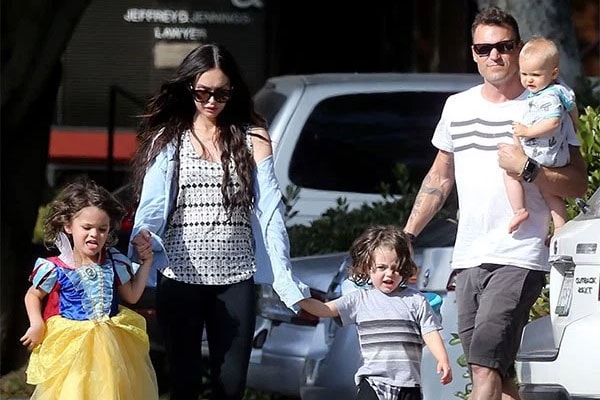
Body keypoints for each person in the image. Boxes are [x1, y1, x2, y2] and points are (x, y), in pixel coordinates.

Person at [403, 6, 587, 400]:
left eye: (504, 46)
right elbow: (440, 177)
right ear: (473, 53)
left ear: (518, 49)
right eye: (484, 48)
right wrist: (408, 235)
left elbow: (577, 181)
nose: (494, 55)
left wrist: (528, 169)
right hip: (470, 254)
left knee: (484, 368)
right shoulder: (457, 106)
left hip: (520, 254)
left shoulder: (545, 105)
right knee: (495, 379)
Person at [128, 42, 310, 400]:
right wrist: (142, 241)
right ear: (188, 89)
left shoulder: (253, 137)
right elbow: (151, 206)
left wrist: (284, 275)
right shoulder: (170, 139)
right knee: (185, 384)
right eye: (203, 92)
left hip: (236, 276)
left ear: (233, 91)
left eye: (221, 93)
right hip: (179, 274)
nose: (212, 101)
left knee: (231, 385)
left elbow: (270, 210)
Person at [20, 179, 158, 400]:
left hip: (111, 348)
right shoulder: (57, 267)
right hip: (73, 347)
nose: (95, 234)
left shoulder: (113, 262)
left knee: (110, 390)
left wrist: (146, 263)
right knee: (74, 390)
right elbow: (33, 294)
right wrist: (37, 323)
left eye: (102, 229)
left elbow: (132, 296)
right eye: (87, 228)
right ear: (68, 226)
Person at [299, 225, 453, 400]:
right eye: (381, 267)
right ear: (368, 267)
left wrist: (442, 359)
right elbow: (324, 309)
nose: (389, 274)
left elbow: (430, 332)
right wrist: (298, 299)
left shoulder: (416, 300)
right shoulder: (360, 299)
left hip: (408, 384)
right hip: (373, 381)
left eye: (396, 268)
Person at [506, 36, 577, 234]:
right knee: (551, 194)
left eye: (535, 75)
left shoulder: (549, 96)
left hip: (542, 152)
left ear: (554, 73)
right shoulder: (561, 91)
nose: (528, 80)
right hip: (554, 153)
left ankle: (519, 210)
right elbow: (572, 108)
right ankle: (560, 229)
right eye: (524, 74)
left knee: (509, 173)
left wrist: (527, 131)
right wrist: (575, 125)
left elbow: (553, 122)